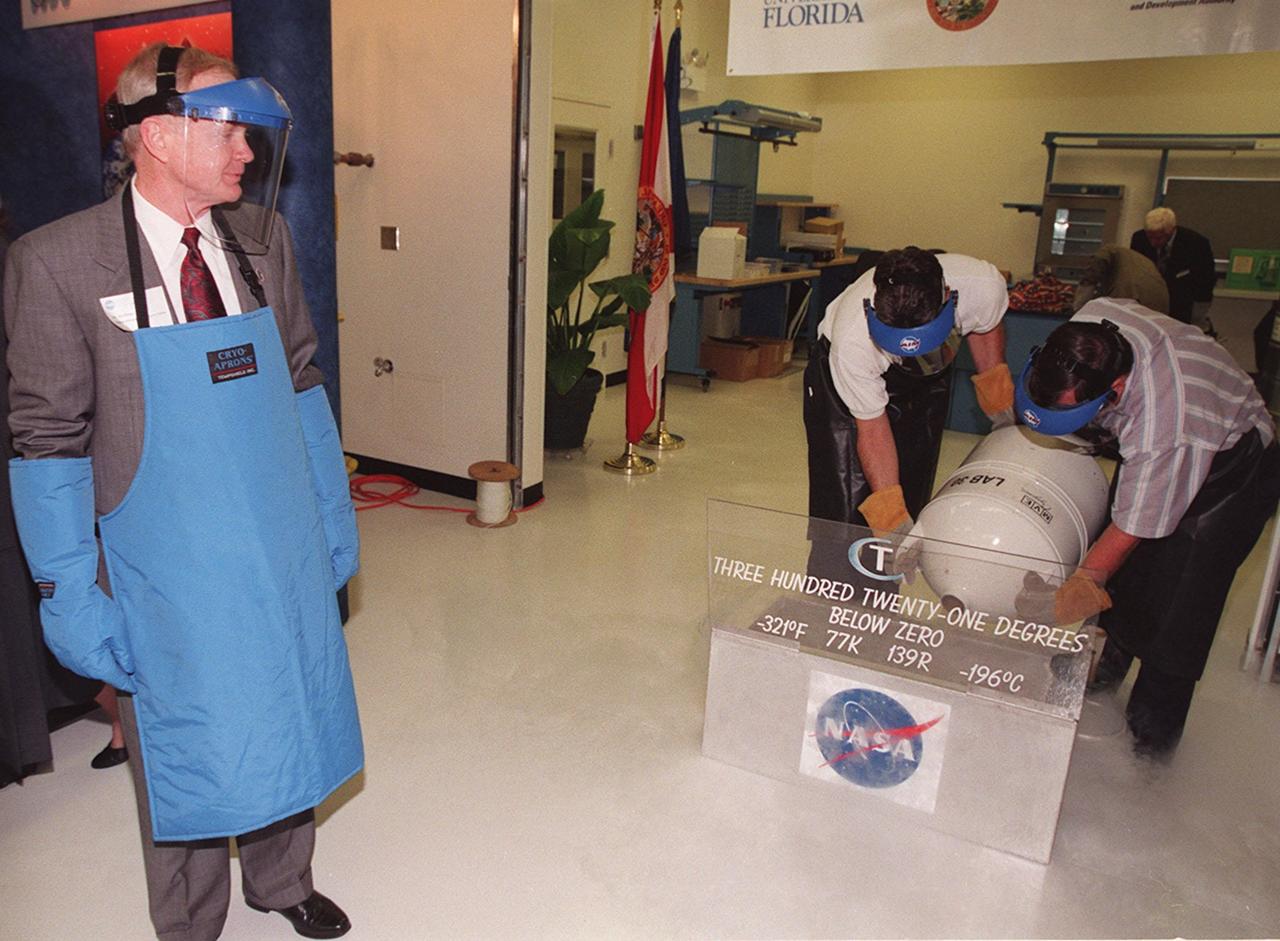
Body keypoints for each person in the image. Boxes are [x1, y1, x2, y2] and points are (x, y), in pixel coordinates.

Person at [4, 43, 362, 940]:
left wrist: (331, 512)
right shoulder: (55, 263)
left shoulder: (263, 240)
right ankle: (190, 923)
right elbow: (45, 440)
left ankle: (282, 881)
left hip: (271, 531)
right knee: (183, 741)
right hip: (158, 554)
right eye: (228, 126)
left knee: (283, 701)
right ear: (157, 134)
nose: (248, 149)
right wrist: (66, 589)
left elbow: (302, 377)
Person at [1014, 297, 1278, 757]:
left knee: (1180, 608)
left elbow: (1132, 528)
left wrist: (1069, 594)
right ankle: (1104, 671)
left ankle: (1150, 747)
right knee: (1133, 578)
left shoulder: (1167, 423)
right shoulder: (1083, 331)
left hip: (1231, 466)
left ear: (1113, 389)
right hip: (1164, 433)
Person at [805, 247, 1011, 539]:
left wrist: (998, 401)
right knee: (847, 508)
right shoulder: (853, 341)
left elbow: (985, 324)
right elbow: (873, 431)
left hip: (931, 371)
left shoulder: (983, 286)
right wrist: (890, 520)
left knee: (912, 482)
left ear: (948, 297)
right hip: (850, 381)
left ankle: (889, 577)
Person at [1130, 206, 1217, 333]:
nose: (1153, 243)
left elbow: (1206, 278)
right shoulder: (1139, 238)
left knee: (1182, 333)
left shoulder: (1196, 243)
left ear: (1171, 231)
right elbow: (1136, 269)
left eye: (1158, 238)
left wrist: (1198, 313)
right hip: (1151, 297)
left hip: (1185, 298)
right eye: (1150, 237)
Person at [1072, 244, 1169, 315]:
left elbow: (1090, 279)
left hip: (1138, 303)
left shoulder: (1105, 254)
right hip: (1159, 310)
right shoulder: (1137, 262)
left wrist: (1078, 307)